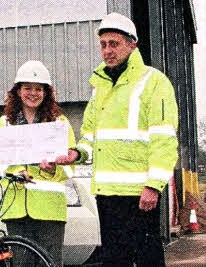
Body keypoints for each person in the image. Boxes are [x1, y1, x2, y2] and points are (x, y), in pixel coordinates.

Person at [56, 13, 179, 267]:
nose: (107, 51)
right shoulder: (99, 88)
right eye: (103, 45)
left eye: (114, 44)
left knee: (148, 259)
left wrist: (154, 186)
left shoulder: (154, 83)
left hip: (140, 195)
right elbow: (90, 136)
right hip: (107, 194)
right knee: (114, 259)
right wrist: (77, 153)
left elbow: (164, 140)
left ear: (131, 44)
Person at [0, 60, 76, 266]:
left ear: (46, 93)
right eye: (27, 88)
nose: (33, 93)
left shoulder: (59, 123)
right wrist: (17, 170)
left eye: (38, 89)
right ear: (17, 91)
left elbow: (70, 166)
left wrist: (53, 170)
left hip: (49, 208)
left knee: (49, 263)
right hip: (16, 208)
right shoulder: (5, 123)